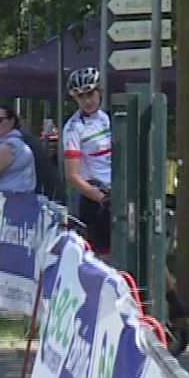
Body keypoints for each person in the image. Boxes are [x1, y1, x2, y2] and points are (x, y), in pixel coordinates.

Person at [62, 67, 113, 254]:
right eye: (80, 97)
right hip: (95, 196)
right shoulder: (74, 128)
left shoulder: (106, 118)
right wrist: (102, 199)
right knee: (104, 257)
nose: (87, 101)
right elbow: (72, 176)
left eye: (90, 94)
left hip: (117, 192)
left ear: (100, 91)